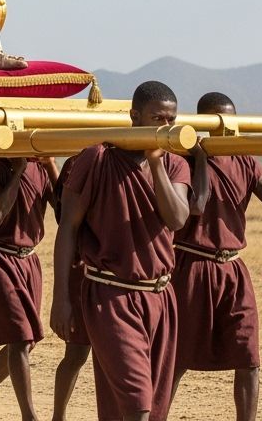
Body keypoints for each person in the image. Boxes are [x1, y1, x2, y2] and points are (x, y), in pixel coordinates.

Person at [51, 81, 192, 421]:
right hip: (110, 296)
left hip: (159, 298)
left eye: (171, 119)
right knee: (137, 404)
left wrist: (156, 164)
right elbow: (68, 228)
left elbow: (177, 218)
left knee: (148, 409)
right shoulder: (97, 158)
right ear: (134, 116)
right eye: (157, 118)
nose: (166, 127)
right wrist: (61, 298)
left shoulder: (174, 165)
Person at [170, 92, 262, 421]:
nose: (226, 130)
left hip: (233, 268)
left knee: (248, 356)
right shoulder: (185, 159)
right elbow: (198, 205)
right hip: (193, 265)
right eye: (218, 123)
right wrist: (202, 156)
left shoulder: (245, 159)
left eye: (231, 123)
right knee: (178, 356)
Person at [0, 156, 58, 421]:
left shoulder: (39, 165)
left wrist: (50, 164)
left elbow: (62, 211)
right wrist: (17, 172)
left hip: (29, 259)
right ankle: (30, 416)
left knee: (27, 341)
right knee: (19, 337)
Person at [49, 153, 91, 421]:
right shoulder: (80, 162)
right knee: (77, 351)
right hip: (84, 266)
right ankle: (58, 417)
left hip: (122, 272)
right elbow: (63, 216)